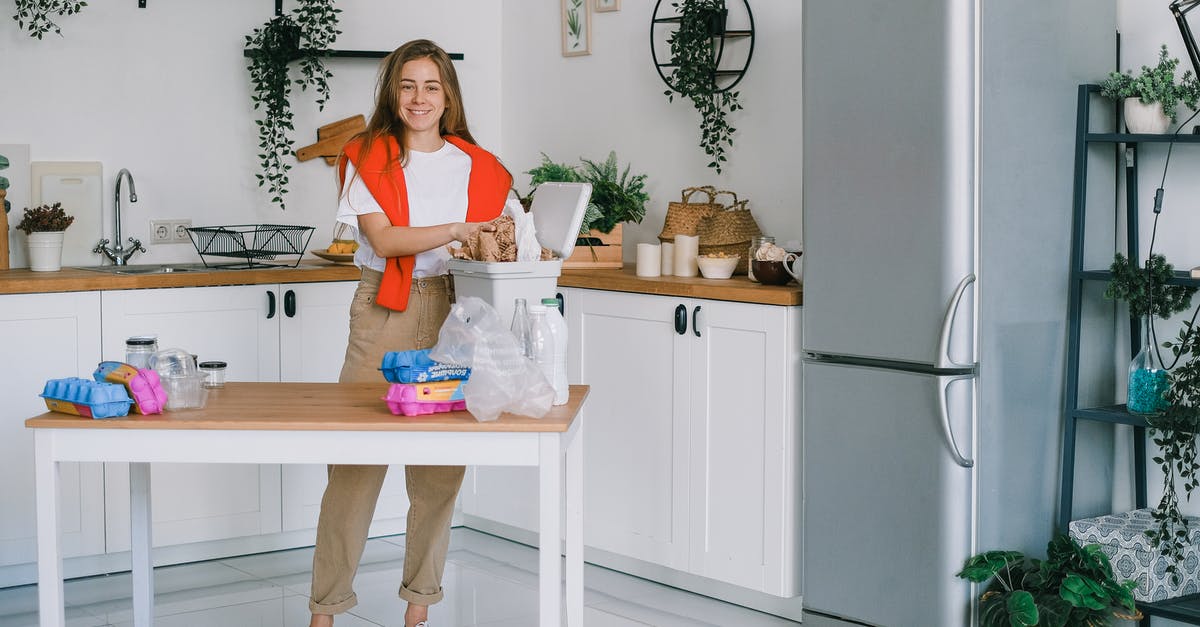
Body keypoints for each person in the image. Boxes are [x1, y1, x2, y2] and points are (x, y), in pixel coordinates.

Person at [308, 39, 511, 627]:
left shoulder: (483, 166)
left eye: (430, 86)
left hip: (457, 310)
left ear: (448, 94)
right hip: (385, 309)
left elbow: (501, 241)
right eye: (407, 86)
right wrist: (457, 229)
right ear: (391, 93)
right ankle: (327, 610)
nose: (418, 98)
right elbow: (387, 240)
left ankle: (419, 605)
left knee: (440, 465)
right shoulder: (367, 155)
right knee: (355, 461)